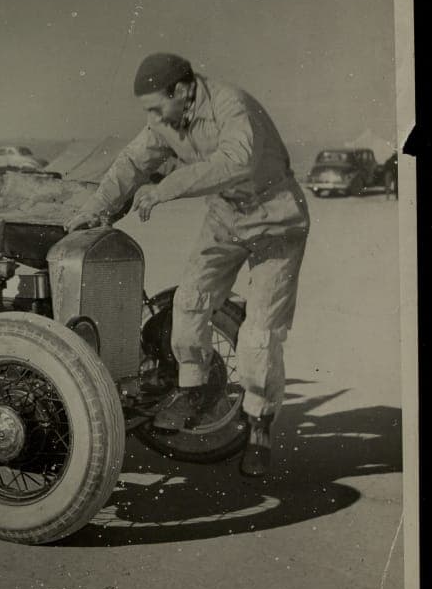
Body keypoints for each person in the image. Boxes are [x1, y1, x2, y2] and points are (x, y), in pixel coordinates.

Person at [65, 53, 310, 477]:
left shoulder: (232, 105)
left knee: (260, 333)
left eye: (156, 106)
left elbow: (237, 162)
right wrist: (93, 210)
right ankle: (194, 390)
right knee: (191, 299)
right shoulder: (166, 119)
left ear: (182, 90)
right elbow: (131, 163)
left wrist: (166, 190)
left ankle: (259, 428)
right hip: (227, 214)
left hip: (277, 215)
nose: (152, 117)